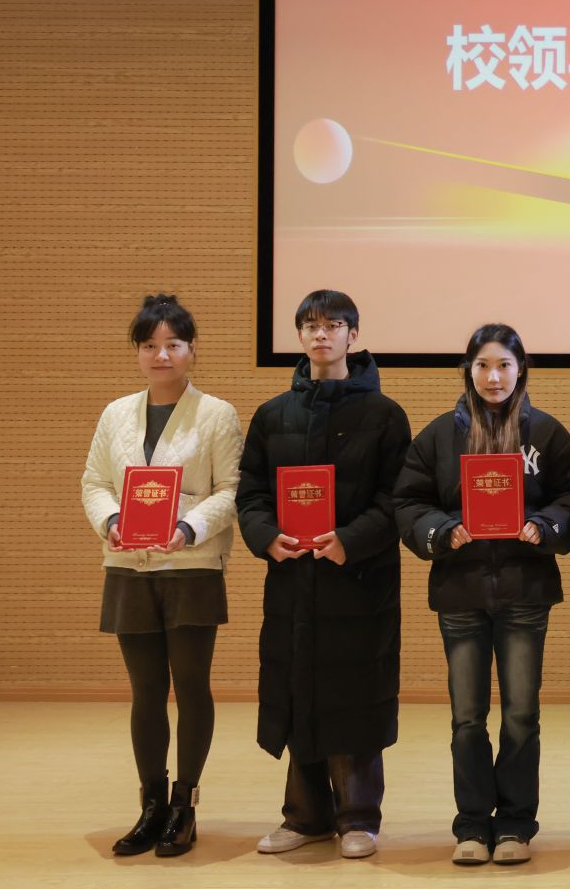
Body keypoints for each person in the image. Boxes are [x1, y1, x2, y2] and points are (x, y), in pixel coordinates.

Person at [392, 324, 570, 866]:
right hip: (460, 592)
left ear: (521, 370)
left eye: (504, 365)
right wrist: (440, 531)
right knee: (467, 718)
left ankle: (516, 825)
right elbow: (408, 501)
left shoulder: (545, 433)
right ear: (468, 370)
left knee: (521, 714)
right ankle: (473, 825)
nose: (493, 376)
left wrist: (544, 526)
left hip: (525, 591)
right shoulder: (439, 436)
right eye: (482, 365)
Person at [235, 290, 413, 860]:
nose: (321, 334)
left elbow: (397, 498)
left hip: (358, 581)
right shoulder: (273, 415)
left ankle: (358, 818)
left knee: (354, 694)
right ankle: (305, 818)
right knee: (298, 689)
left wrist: (350, 541)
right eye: (311, 325)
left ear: (352, 336)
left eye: (333, 325)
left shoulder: (385, 415)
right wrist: (267, 537)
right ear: (299, 336)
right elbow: (251, 493)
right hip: (294, 580)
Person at [79, 294, 243, 858]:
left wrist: (189, 528)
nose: (161, 355)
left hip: (191, 567)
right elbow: (95, 482)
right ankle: (150, 805)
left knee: (191, 687)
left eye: (173, 344)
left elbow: (231, 490)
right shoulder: (115, 413)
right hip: (129, 567)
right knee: (145, 691)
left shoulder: (216, 414)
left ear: (192, 350)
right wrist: (111, 520)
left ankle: (184, 804)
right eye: (149, 345)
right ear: (138, 352)